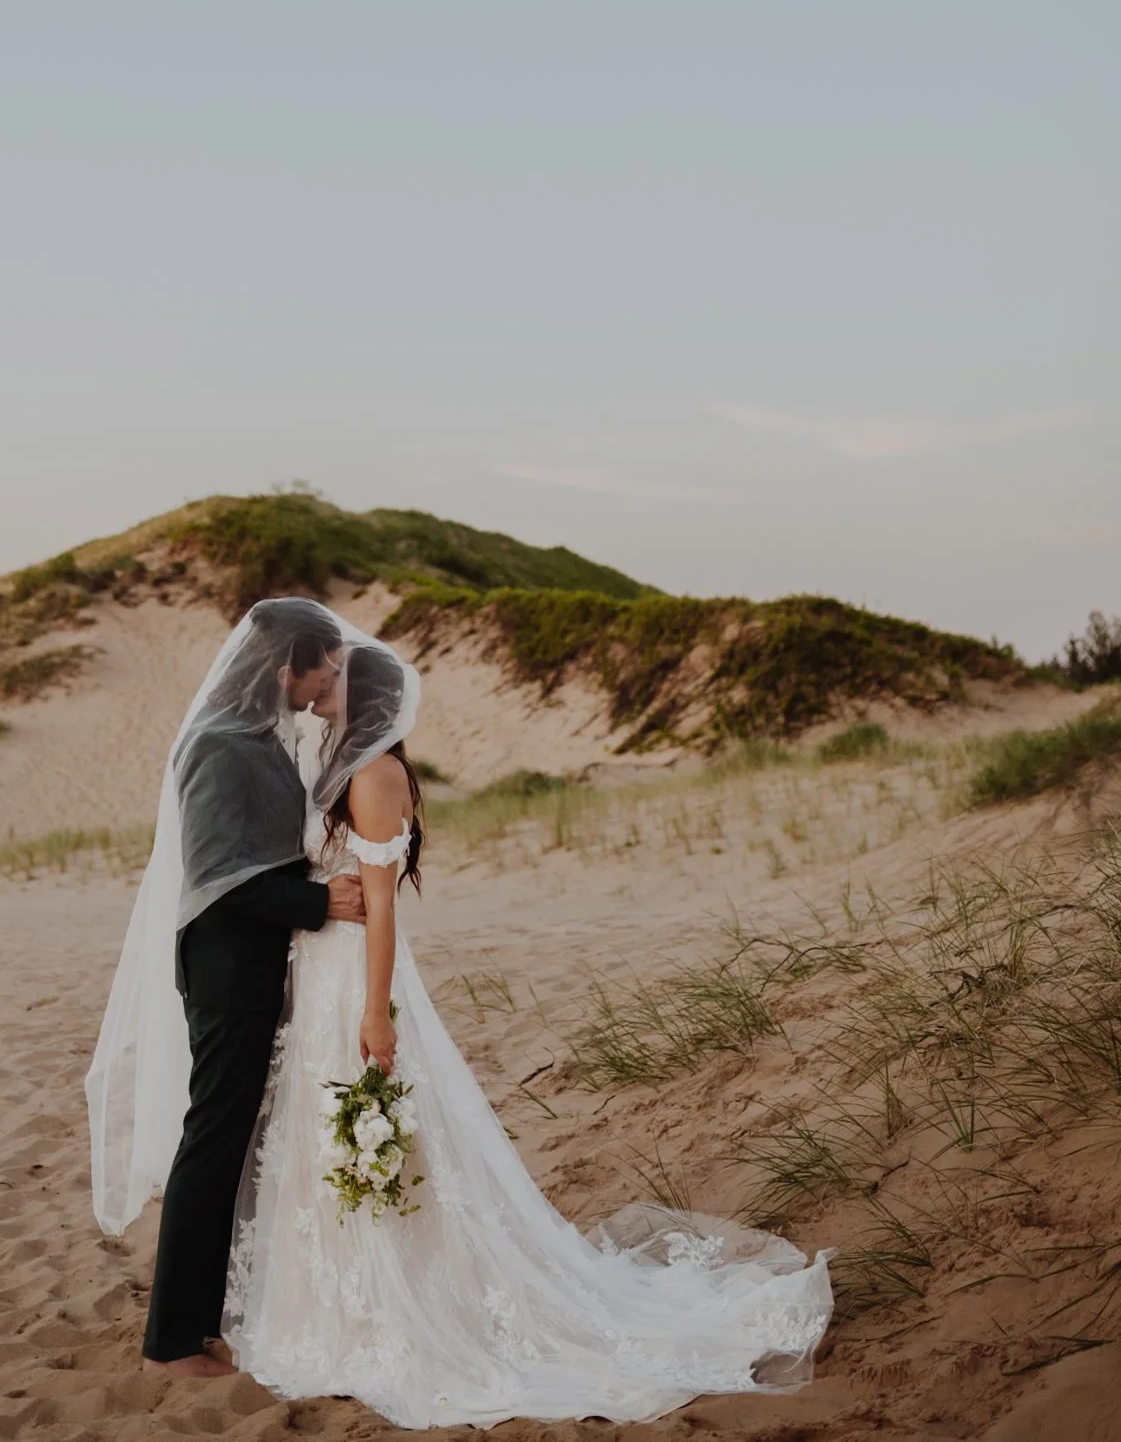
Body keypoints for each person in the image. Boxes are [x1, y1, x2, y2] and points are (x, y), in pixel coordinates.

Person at [222, 621, 835, 1430]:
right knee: (332, 1134)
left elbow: (379, 912)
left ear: (359, 698)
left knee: (374, 1126)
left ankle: (397, 1302)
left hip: (355, 977)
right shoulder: (334, 763)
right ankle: (343, 1296)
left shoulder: (371, 774)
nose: (320, 690)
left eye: (334, 681)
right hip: (323, 972)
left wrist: (374, 1012)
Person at [84, 596, 368, 1379]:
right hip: (226, 970)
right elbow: (215, 875)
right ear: (287, 669)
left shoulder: (261, 734)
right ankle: (170, 1342)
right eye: (327, 664)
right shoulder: (217, 741)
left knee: (236, 1141)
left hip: (255, 961)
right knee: (210, 1143)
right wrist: (317, 902)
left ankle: (214, 1314)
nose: (332, 677)